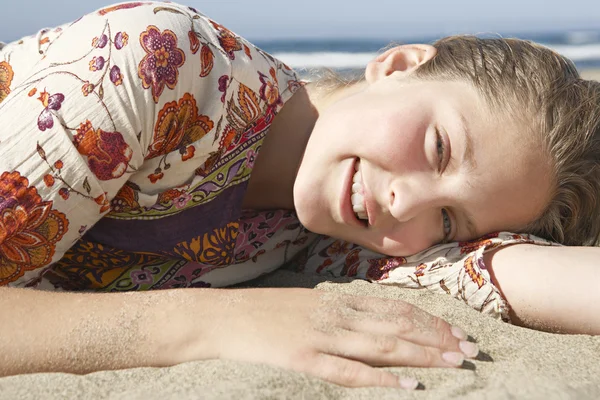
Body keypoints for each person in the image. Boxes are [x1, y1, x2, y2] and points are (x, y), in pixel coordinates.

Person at [0, 1, 598, 389]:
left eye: (448, 218)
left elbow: (512, 271)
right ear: (398, 65)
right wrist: (202, 324)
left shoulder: (323, 235)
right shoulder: (154, 64)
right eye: (439, 147)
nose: (404, 201)